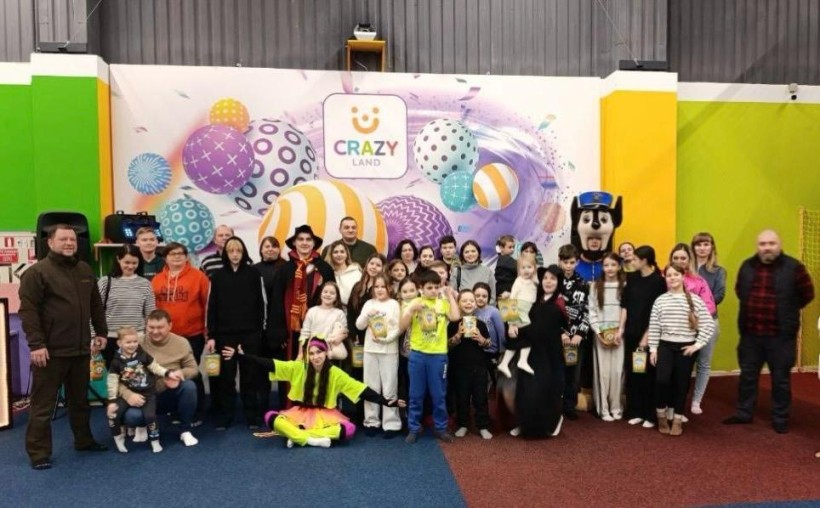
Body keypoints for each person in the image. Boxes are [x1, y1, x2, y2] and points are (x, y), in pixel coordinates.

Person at [18, 224, 110, 470]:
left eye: (73, 239)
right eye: (63, 239)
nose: (69, 243)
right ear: (50, 242)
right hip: (50, 352)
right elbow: (28, 312)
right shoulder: (36, 273)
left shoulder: (85, 270)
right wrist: (37, 345)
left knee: (80, 402)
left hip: (80, 350)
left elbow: (95, 305)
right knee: (43, 406)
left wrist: (101, 332)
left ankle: (84, 440)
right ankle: (39, 453)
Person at [222, 339, 405, 448]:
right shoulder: (298, 368)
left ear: (326, 353)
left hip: (325, 414)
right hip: (300, 412)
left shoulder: (335, 373)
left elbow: (360, 389)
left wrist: (387, 402)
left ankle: (297, 437)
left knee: (348, 429)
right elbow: (269, 363)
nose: (316, 357)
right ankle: (312, 439)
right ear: (307, 355)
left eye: (319, 352)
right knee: (271, 418)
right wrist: (240, 357)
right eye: (311, 353)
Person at [723, 229, 814, 434]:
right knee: (747, 376)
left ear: (779, 245)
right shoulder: (747, 267)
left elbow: (807, 294)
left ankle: (780, 419)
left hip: (781, 337)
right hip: (750, 335)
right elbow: (740, 291)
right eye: (763, 244)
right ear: (758, 246)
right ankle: (744, 413)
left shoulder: (794, 268)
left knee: (780, 380)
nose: (767, 248)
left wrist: (788, 310)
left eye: (771, 244)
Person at [208, 236, 267, 430]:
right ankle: (226, 416)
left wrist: (259, 331)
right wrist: (211, 336)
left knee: (250, 377)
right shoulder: (217, 276)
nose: (235, 255)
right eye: (231, 251)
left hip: (250, 335)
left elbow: (262, 304)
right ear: (225, 253)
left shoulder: (254, 273)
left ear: (244, 253)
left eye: (238, 251)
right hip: (225, 336)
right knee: (226, 378)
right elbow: (212, 307)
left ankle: (252, 416)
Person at [648, 264, 715, 436]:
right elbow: (654, 326)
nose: (672, 278)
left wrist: (697, 345)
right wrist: (653, 349)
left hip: (686, 348)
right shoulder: (660, 300)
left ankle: (677, 419)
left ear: (682, 276)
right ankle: (661, 415)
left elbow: (708, 324)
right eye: (669, 275)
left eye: (676, 274)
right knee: (662, 381)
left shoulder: (695, 300)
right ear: (665, 278)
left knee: (681, 384)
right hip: (665, 346)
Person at [121, 309, 204, 448]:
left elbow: (193, 369)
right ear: (146, 326)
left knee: (189, 387)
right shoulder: (135, 343)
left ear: (170, 326)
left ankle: (185, 430)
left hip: (170, 393)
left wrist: (178, 374)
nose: (155, 331)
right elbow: (120, 375)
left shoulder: (181, 342)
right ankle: (142, 425)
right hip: (144, 395)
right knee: (132, 417)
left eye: (160, 327)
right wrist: (129, 394)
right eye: (151, 327)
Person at [400, 269, 460, 444]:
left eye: (436, 287)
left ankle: (440, 428)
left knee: (439, 394)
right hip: (418, 354)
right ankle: (414, 427)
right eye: (429, 287)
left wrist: (450, 296)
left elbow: (455, 317)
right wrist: (411, 310)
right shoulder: (414, 303)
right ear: (421, 288)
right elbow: (402, 326)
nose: (433, 291)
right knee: (415, 394)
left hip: (438, 355)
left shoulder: (442, 303)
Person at [152, 242, 211, 419]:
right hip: (166, 337)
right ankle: (177, 410)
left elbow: (208, 305)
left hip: (193, 334)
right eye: (172, 254)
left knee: (191, 372)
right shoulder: (157, 280)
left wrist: (208, 331)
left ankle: (197, 411)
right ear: (165, 258)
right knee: (170, 372)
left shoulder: (199, 277)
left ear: (186, 257)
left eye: (180, 253)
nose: (177, 257)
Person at [106, 326, 182, 453]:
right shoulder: (115, 362)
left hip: (148, 393)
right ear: (119, 343)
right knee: (113, 414)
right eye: (128, 342)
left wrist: (168, 373)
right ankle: (119, 439)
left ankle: (155, 441)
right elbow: (112, 382)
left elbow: (156, 367)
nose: (132, 345)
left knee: (150, 417)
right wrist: (112, 401)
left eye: (135, 341)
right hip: (130, 394)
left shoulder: (143, 355)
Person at [512, 265, 567, 438]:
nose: (548, 282)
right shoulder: (536, 299)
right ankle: (524, 424)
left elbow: (542, 329)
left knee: (543, 391)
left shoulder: (559, 303)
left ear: (558, 282)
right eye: (545, 278)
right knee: (525, 390)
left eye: (553, 278)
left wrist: (520, 329)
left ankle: (552, 422)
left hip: (549, 355)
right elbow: (519, 314)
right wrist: (512, 324)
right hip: (530, 351)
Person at [269, 225, 336, 362]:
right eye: (300, 239)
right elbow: (276, 302)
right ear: (294, 243)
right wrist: (279, 332)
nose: (305, 243)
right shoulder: (284, 269)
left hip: (319, 327)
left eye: (308, 239)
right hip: (291, 329)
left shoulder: (325, 268)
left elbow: (334, 300)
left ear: (314, 243)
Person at [619, 246, 667, 428]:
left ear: (645, 260)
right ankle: (635, 411)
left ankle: (649, 414)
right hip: (631, 334)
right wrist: (621, 329)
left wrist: (647, 337)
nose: (631, 262)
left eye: (635, 259)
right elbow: (625, 305)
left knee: (648, 375)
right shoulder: (632, 278)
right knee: (633, 373)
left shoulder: (658, 282)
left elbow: (657, 313)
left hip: (648, 335)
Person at [355, 274, 402, 437]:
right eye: (376, 287)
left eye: (383, 286)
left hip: (389, 350)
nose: (380, 290)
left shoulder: (394, 304)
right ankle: (371, 421)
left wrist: (386, 339)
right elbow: (359, 326)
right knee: (370, 386)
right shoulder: (369, 304)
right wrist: (367, 314)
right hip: (370, 350)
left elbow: (398, 328)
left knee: (389, 386)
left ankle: (391, 423)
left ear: (390, 287)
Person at [97, 244, 156, 367]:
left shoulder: (145, 284)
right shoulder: (105, 282)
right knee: (113, 374)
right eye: (127, 262)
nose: (130, 266)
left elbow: (150, 313)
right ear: (118, 259)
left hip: (136, 338)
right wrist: (94, 336)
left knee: (137, 374)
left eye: (134, 263)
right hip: (111, 338)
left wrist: (149, 335)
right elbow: (95, 311)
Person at [690, 232, 727, 415]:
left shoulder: (718, 271)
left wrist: (699, 308)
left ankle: (696, 401)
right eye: (698, 244)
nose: (702, 248)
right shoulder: (686, 268)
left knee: (703, 363)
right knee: (684, 362)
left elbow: (719, 295)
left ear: (712, 247)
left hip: (708, 321)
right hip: (685, 323)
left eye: (706, 244)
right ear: (693, 247)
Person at [448, 289, 493, 439]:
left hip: (479, 366)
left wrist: (481, 339)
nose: (468, 303)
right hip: (459, 367)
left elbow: (488, 344)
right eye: (464, 300)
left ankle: (483, 425)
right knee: (462, 397)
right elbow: (447, 345)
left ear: (475, 304)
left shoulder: (481, 324)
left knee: (481, 397)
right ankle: (463, 424)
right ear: (458, 304)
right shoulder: (453, 324)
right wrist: (457, 336)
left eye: (471, 301)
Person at [588, 252, 625, 421]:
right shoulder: (595, 286)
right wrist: (598, 332)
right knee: (603, 373)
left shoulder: (624, 285)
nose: (609, 268)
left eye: (613, 265)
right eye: (606, 265)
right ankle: (603, 409)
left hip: (619, 335)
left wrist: (620, 332)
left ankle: (616, 407)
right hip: (601, 335)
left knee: (617, 372)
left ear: (619, 266)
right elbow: (592, 312)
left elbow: (626, 311)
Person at [557, 244, 591, 420]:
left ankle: (569, 406)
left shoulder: (583, 283)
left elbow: (588, 311)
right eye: (565, 262)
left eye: (572, 262)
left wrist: (580, 334)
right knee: (557, 372)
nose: (568, 266)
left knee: (573, 374)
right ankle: (555, 405)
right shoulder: (554, 281)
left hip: (575, 339)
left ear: (577, 262)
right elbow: (551, 309)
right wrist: (561, 332)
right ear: (559, 261)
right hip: (558, 337)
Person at [497, 253, 538, 377]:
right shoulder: (518, 281)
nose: (526, 270)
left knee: (517, 342)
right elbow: (511, 300)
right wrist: (511, 323)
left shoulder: (533, 281)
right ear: (518, 270)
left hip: (527, 312)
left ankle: (505, 363)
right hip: (519, 312)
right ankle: (522, 361)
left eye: (529, 267)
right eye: (523, 268)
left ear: (534, 268)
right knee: (528, 337)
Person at [298, 281, 348, 359]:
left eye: (332, 293)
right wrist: (300, 354)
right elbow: (304, 334)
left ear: (336, 297)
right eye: (325, 292)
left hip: (330, 354)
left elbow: (344, 331)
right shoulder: (312, 311)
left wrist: (340, 337)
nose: (328, 294)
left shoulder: (339, 313)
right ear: (321, 294)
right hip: (313, 353)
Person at [473, 282, 505, 389]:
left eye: (484, 296)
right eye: (477, 296)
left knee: (496, 382)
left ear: (489, 297)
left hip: (492, 353)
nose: (480, 298)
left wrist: (501, 353)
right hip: (478, 352)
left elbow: (501, 333)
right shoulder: (472, 311)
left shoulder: (494, 312)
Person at [325, 239, 362, 307]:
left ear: (346, 254)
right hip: (333, 309)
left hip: (353, 309)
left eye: (342, 252)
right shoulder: (328, 274)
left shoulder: (356, 273)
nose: (339, 255)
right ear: (331, 255)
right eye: (335, 252)